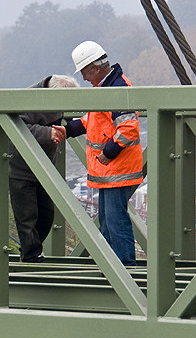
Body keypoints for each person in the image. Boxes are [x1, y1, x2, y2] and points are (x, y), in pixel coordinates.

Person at [64, 41, 143, 265]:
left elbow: (128, 128)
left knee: (115, 219)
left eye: (85, 73)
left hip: (117, 167)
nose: (84, 78)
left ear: (96, 69)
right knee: (107, 219)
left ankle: (125, 267)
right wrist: (68, 130)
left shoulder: (117, 88)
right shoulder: (106, 87)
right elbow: (94, 121)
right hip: (109, 169)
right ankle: (113, 265)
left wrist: (108, 153)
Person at [8, 74, 78, 263]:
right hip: (21, 168)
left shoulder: (55, 98)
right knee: (26, 217)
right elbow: (16, 127)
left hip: (45, 167)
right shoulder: (27, 100)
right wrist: (48, 132)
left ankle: (30, 251)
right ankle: (30, 257)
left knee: (47, 215)